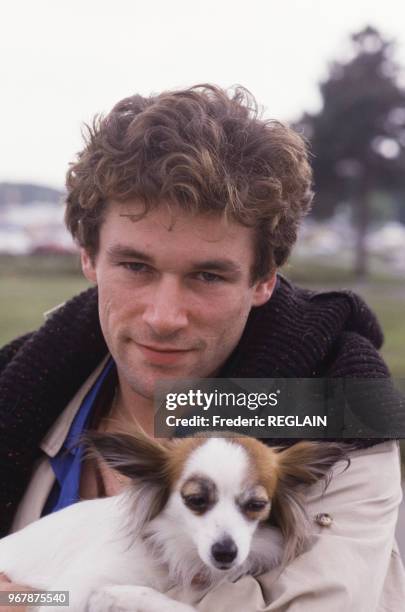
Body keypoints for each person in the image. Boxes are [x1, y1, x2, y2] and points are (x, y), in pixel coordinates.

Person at [0, 84, 404, 611]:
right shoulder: (21, 382)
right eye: (135, 267)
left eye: (208, 276)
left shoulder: (344, 408)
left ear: (264, 280)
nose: (164, 317)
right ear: (88, 257)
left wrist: (38, 604)